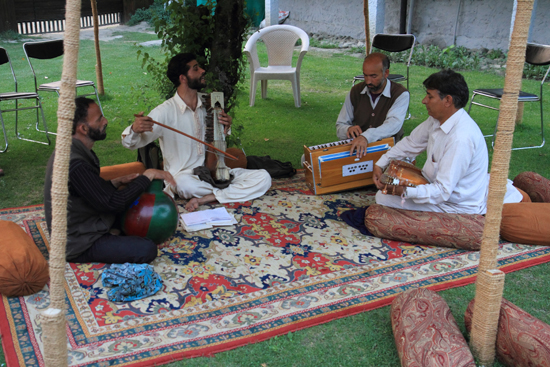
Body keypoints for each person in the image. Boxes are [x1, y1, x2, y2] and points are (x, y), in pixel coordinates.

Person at [121, 53, 271, 212]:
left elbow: (219, 138)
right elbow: (130, 143)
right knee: (186, 186)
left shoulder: (210, 102)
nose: (202, 71)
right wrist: (135, 130)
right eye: (196, 69)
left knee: (264, 177)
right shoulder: (164, 112)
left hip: (214, 173)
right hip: (187, 177)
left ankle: (208, 198)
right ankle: (226, 193)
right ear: (183, 78)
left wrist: (226, 126)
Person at [44, 97, 176, 263]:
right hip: (78, 243)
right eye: (99, 119)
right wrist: (147, 176)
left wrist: (116, 182)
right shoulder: (74, 163)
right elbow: (113, 203)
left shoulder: (74, 150)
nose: (105, 121)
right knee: (147, 249)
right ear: (84, 128)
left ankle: (112, 230)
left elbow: (88, 191)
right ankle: (109, 234)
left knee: (129, 203)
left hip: (85, 222)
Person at [372, 69, 522, 214]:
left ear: (448, 100)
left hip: (457, 204)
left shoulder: (460, 138)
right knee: (386, 194)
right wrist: (381, 163)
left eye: (430, 97)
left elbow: (443, 192)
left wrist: (405, 191)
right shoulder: (436, 119)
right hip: (436, 188)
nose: (424, 101)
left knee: (384, 198)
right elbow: (411, 143)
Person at [336, 52, 410, 159]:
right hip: (358, 149)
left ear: (386, 73)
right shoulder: (356, 91)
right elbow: (340, 125)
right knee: (307, 159)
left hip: (388, 150)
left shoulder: (400, 94)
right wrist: (348, 129)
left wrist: (366, 136)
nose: (368, 81)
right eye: (365, 75)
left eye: (373, 76)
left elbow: (393, 125)